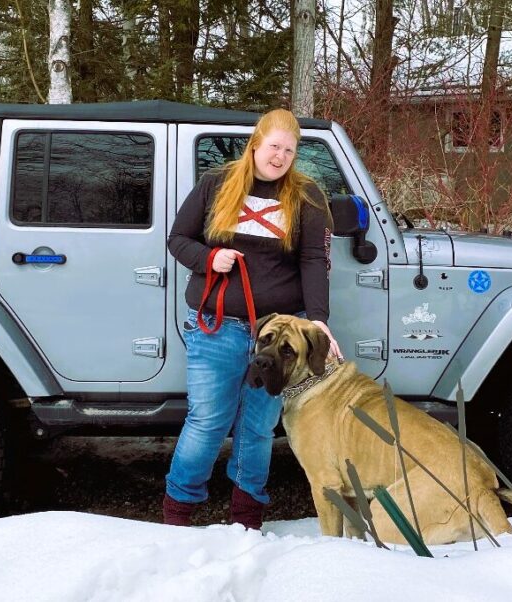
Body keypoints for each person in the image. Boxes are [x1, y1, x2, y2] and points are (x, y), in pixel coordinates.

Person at [163, 108, 342, 531]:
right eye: (274, 146)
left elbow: (315, 260)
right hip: (217, 328)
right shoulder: (216, 185)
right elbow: (177, 239)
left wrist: (317, 319)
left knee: (259, 427)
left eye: (289, 150)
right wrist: (210, 258)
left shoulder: (308, 197)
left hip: (277, 339)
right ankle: (177, 516)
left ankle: (246, 520)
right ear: (256, 144)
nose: (279, 157)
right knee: (207, 421)